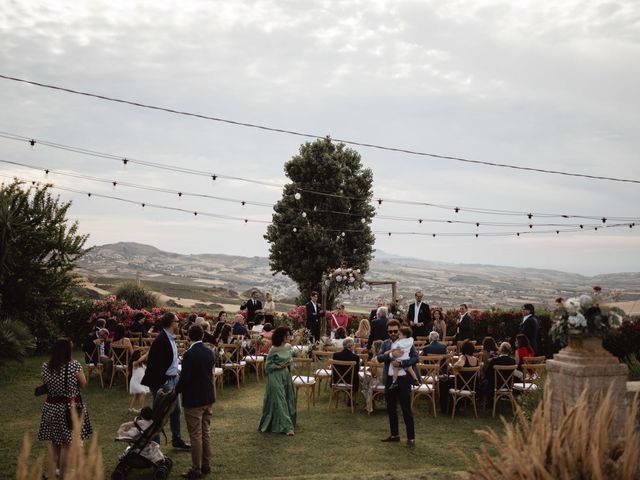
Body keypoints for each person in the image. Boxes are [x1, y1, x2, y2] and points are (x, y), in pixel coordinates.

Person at [38, 338, 92, 479]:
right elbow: (83, 383)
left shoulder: (46, 366)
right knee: (66, 445)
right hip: (68, 409)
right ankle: (63, 476)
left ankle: (49, 474)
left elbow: (47, 384)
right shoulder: (74, 365)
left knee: (55, 443)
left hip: (50, 407)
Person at [141, 312, 191, 451]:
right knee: (159, 414)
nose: (178, 323)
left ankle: (177, 439)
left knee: (176, 411)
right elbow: (153, 364)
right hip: (165, 382)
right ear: (170, 323)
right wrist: (161, 384)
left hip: (174, 380)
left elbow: (171, 359)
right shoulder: (161, 340)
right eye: (176, 321)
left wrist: (176, 372)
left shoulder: (171, 338)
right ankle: (154, 443)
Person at [176, 325, 216, 479]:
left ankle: (196, 468)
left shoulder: (189, 354)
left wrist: (176, 390)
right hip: (208, 396)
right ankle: (206, 465)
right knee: (205, 432)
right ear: (203, 336)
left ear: (188, 337)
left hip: (194, 398)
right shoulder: (209, 351)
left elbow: (185, 378)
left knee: (195, 434)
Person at [377, 320, 418, 448]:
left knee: (406, 409)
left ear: (399, 330)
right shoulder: (385, 343)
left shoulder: (407, 342)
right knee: (391, 408)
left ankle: (411, 438)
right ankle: (394, 435)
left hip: (404, 379)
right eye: (390, 331)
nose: (393, 333)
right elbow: (379, 358)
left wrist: (401, 364)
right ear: (387, 332)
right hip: (390, 379)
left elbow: (415, 358)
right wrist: (391, 356)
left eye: (395, 331)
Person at [258, 326, 296, 436]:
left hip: (286, 375)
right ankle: (288, 427)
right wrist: (278, 366)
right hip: (275, 376)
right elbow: (267, 366)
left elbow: (291, 359)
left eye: (289, 335)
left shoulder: (289, 347)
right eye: (286, 335)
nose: (288, 337)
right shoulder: (274, 349)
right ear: (281, 336)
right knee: (280, 400)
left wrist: (289, 364)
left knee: (288, 398)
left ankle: (283, 422)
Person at [129, 349, 150, 413]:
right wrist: (147, 353)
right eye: (140, 355)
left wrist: (147, 355)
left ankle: (131, 408)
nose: (141, 356)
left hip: (140, 382)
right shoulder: (135, 363)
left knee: (136, 395)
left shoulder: (142, 364)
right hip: (135, 382)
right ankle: (142, 409)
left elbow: (144, 359)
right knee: (143, 392)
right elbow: (140, 359)